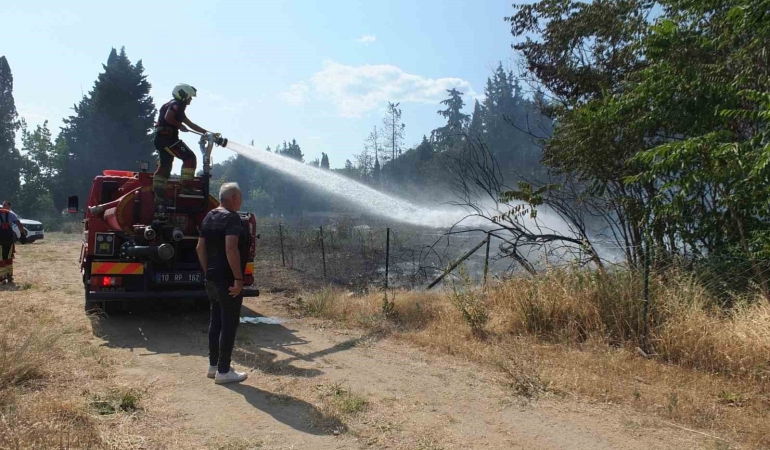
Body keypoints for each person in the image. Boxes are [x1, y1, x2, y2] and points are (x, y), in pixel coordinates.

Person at [196, 182, 249, 384]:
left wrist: (208, 271)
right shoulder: (232, 218)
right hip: (228, 281)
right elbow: (230, 249)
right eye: (240, 198)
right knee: (229, 324)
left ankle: (213, 366)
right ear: (234, 198)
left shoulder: (209, 216)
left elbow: (199, 248)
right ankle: (224, 371)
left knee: (215, 322)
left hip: (212, 278)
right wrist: (238, 279)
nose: (240, 201)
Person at [153, 83, 213, 206]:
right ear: (183, 95)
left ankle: (159, 196)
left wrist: (207, 133)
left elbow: (191, 125)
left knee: (165, 166)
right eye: (190, 97)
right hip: (168, 139)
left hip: (162, 139)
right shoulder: (176, 104)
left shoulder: (175, 106)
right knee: (189, 158)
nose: (191, 99)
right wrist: (179, 126)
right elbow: (168, 117)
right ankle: (186, 187)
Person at [0, 201, 25, 284]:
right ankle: (9, 275)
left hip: (1, 240)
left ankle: (2, 277)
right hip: (9, 240)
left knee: (1, 258)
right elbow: (19, 223)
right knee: (9, 257)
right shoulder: (11, 214)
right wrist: (22, 234)